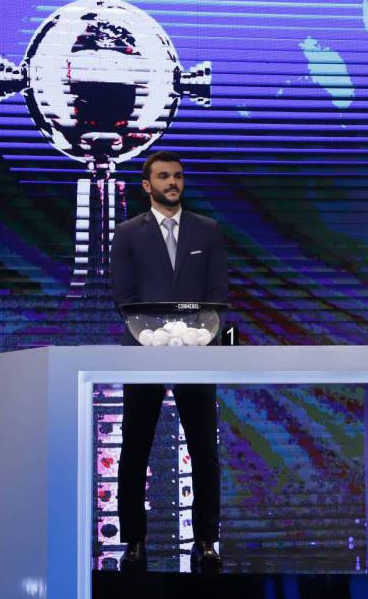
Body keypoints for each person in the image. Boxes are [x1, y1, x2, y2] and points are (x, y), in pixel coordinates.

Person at [110, 150, 228, 572]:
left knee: (204, 449)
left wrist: (196, 337)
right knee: (135, 447)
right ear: (147, 185)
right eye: (163, 176)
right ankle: (134, 542)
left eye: (177, 175)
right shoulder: (127, 233)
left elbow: (217, 295)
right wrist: (154, 336)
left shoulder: (208, 230)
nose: (172, 182)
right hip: (143, 351)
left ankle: (206, 541)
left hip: (197, 353)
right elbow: (123, 296)